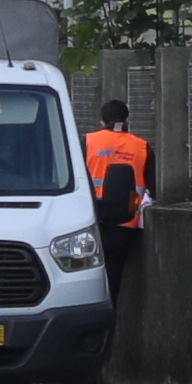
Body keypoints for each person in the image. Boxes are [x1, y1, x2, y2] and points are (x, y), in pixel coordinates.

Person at [82, 102, 154, 297]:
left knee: (83, 282)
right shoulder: (142, 147)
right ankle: (110, 323)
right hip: (124, 224)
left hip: (88, 222)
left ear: (102, 120)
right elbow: (153, 189)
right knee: (113, 284)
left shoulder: (86, 142)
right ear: (127, 120)